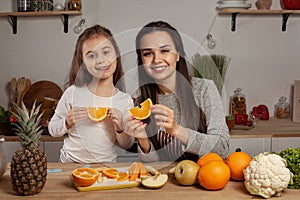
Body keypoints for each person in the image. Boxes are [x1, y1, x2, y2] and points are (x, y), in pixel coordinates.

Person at [124, 21, 229, 162]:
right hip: (166, 181)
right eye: (148, 53)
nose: (157, 59)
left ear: (178, 55)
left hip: (206, 177)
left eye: (164, 51)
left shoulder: (204, 89)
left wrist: (176, 130)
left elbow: (222, 148)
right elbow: (153, 165)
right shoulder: (140, 101)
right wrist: (143, 141)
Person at [48, 25, 134, 163]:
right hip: (70, 165)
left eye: (106, 52)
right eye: (91, 55)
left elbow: (127, 144)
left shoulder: (125, 100)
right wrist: (66, 122)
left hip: (105, 167)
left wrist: (120, 128)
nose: (100, 60)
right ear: (83, 62)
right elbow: (53, 129)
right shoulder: (72, 93)